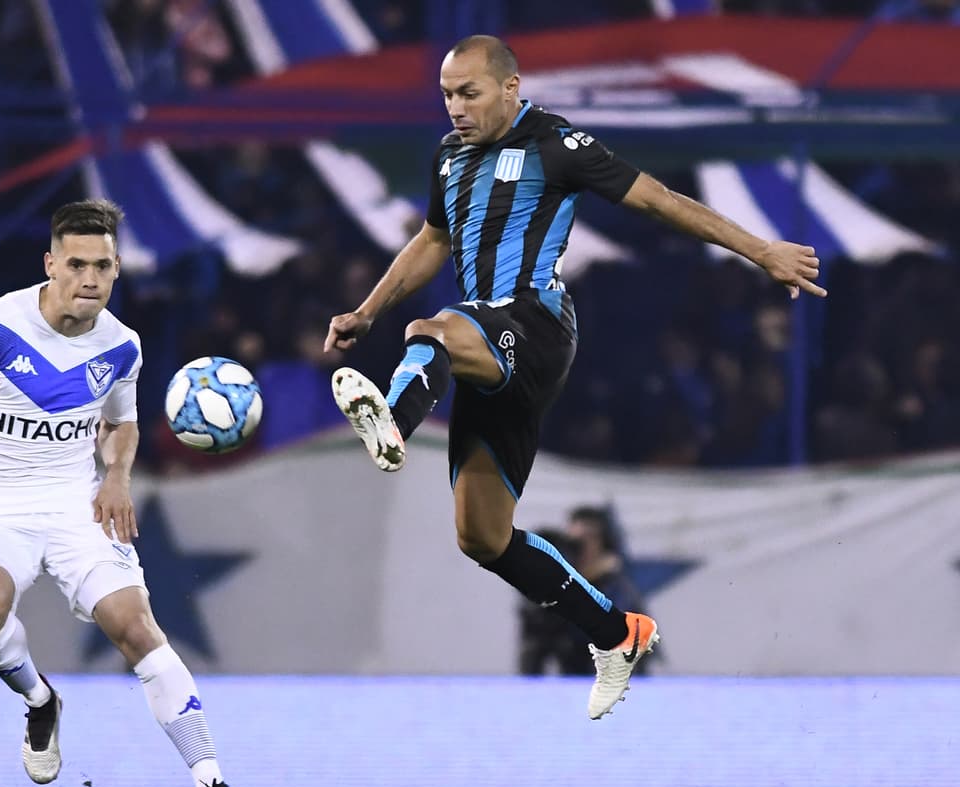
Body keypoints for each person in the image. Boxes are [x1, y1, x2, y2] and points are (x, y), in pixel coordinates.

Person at [325, 35, 826, 719]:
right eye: (446, 95)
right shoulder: (449, 157)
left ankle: (391, 421)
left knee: (431, 330)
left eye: (468, 93)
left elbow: (659, 199)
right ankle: (618, 634)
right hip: (482, 346)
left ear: (510, 87)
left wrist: (760, 250)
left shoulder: (556, 143)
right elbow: (433, 240)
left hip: (534, 325)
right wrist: (365, 309)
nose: (456, 108)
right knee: (483, 537)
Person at [0, 199, 252, 787]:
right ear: (51, 264)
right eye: (76, 264)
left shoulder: (123, 346)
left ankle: (212, 785)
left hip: (75, 503)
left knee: (135, 625)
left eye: (102, 266)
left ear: (118, 268)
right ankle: (40, 700)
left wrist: (117, 474)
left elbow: (122, 422)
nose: (90, 279)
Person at [519, 509, 650, 677]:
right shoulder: (560, 587)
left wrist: (595, 580)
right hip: (568, 682)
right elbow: (535, 646)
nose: (582, 549)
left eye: (591, 538)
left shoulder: (617, 589)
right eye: (575, 542)